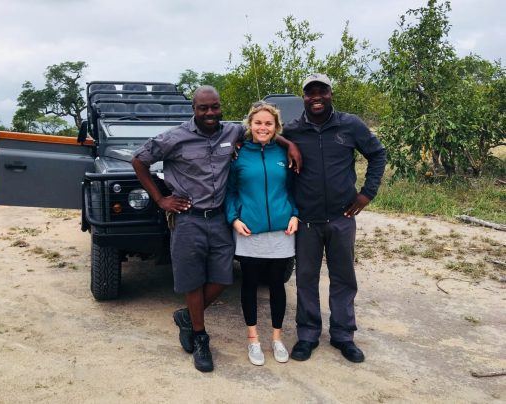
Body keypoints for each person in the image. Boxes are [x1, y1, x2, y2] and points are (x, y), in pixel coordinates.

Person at [131, 86, 301, 373]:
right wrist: (161, 199)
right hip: (188, 219)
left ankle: (187, 316)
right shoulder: (174, 138)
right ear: (194, 109)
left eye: (215, 107)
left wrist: (289, 145)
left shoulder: (231, 132)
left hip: (220, 218)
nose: (210, 113)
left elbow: (262, 129)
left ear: (220, 107)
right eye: (203, 108)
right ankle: (200, 337)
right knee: (192, 280)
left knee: (223, 278)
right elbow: (139, 160)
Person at [284, 73, 386, 363]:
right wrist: (285, 142)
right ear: (303, 96)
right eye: (310, 92)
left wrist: (367, 194)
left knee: (343, 277)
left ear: (331, 93)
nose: (316, 97)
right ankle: (307, 335)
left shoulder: (350, 124)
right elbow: (261, 134)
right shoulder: (293, 130)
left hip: (342, 217)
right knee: (305, 278)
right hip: (306, 219)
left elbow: (378, 155)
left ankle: (343, 335)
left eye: (322, 91)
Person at [225, 102, 298, 366]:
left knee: (278, 286)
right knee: (250, 285)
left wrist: (295, 214)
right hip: (249, 231)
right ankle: (253, 339)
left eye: (268, 123)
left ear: (276, 127)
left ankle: (277, 338)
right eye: (258, 123)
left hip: (281, 231)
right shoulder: (239, 155)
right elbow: (230, 192)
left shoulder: (284, 154)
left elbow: (293, 189)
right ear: (250, 125)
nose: (263, 127)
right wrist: (233, 219)